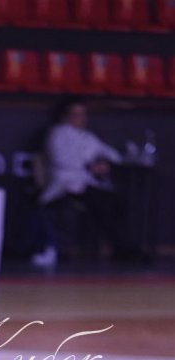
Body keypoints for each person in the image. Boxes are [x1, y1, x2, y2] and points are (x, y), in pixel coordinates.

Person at [32, 99, 135, 270]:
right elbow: (61, 160)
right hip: (64, 185)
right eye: (75, 114)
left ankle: (124, 248)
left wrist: (105, 163)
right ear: (65, 116)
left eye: (82, 114)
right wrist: (90, 167)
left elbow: (111, 154)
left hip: (86, 184)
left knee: (112, 201)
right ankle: (123, 247)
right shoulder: (57, 134)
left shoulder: (87, 137)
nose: (80, 118)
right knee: (101, 201)